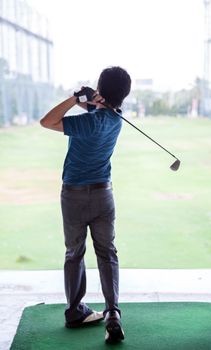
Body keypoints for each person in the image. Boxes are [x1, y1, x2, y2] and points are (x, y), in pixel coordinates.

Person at [40, 66, 131, 343]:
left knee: (74, 253)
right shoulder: (117, 119)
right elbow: (101, 114)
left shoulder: (86, 123)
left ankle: (75, 311)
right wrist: (95, 101)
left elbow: (47, 121)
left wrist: (74, 98)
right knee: (107, 253)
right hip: (104, 194)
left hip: (74, 196)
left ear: (101, 90)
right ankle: (112, 312)